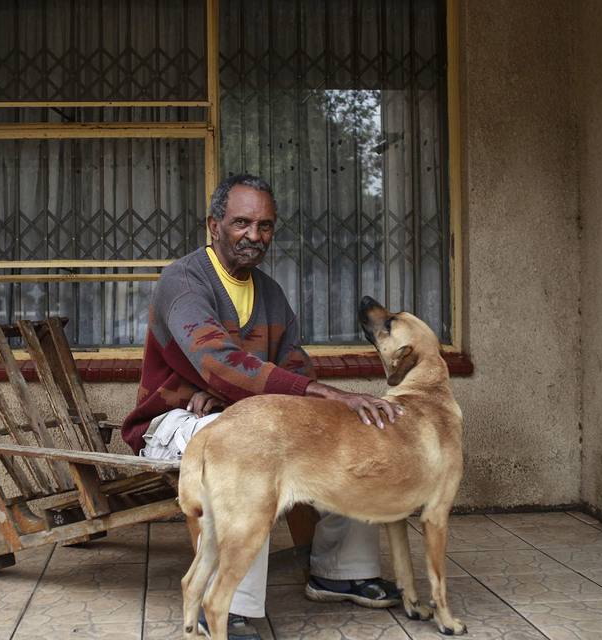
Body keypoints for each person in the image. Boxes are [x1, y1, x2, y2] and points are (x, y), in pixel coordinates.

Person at [122, 174, 403, 639]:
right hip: (172, 422)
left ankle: (341, 570)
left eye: (265, 226)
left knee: (346, 431)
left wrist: (239, 397)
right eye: (242, 223)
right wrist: (309, 395)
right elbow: (217, 362)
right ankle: (229, 605)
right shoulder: (183, 281)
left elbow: (295, 366)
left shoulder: (270, 293)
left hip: (242, 415)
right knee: (249, 448)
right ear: (213, 225)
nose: (255, 235)